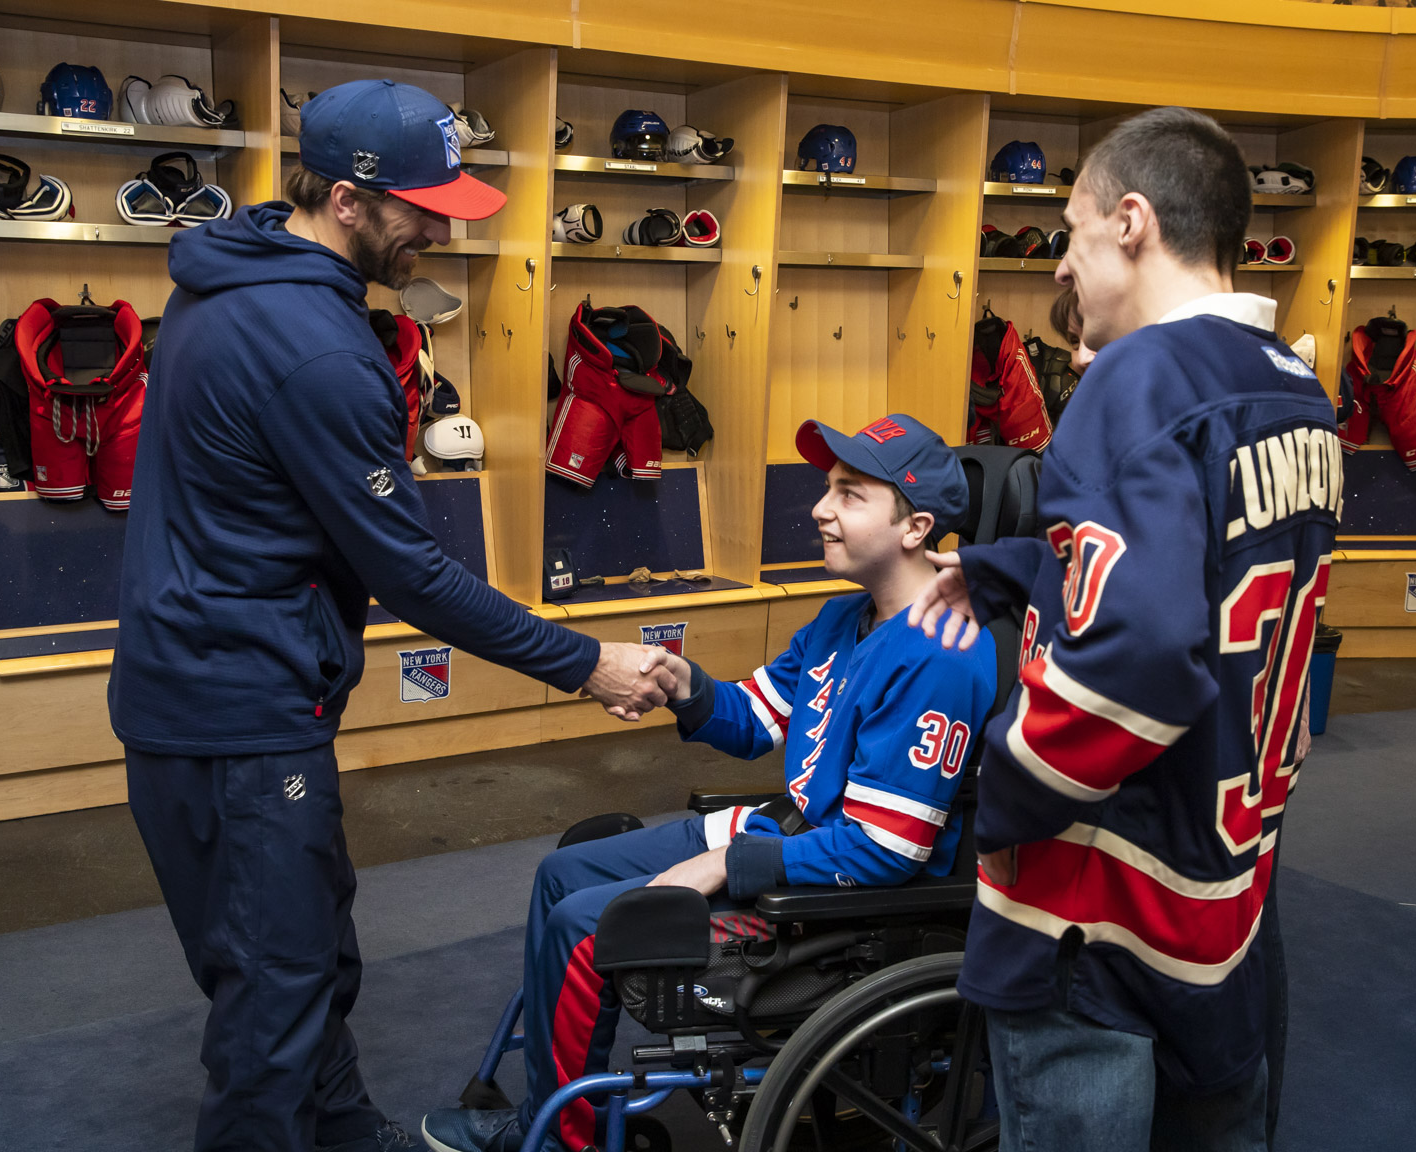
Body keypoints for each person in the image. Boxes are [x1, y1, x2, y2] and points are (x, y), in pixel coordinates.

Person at [109, 80, 674, 1152]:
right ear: (352, 202)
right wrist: (584, 663)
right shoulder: (319, 353)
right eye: (423, 206)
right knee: (271, 1002)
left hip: (217, 689)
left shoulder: (231, 276)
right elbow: (414, 575)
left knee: (309, 955)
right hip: (238, 712)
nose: (440, 229)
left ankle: (346, 1133)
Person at [909, 106, 1340, 1151]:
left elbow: (1142, 655)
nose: (1060, 265)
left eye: (1071, 232)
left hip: (1097, 908)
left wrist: (1000, 789)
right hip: (1224, 887)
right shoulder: (1293, 389)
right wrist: (1010, 567)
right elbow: (1207, 571)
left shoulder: (1138, 379)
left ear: (1133, 221)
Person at [420, 414, 999, 1152]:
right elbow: (754, 718)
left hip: (838, 893)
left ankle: (563, 1138)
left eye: (850, 494)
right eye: (827, 488)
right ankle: (556, 1103)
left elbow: (886, 850)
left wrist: (725, 862)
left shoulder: (940, 656)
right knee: (562, 874)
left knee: (587, 925)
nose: (820, 508)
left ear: (916, 526)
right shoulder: (838, 617)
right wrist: (683, 683)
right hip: (784, 836)